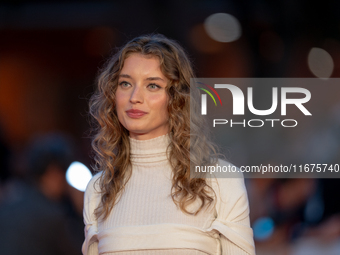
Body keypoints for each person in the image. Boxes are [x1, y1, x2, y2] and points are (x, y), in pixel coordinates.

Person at [83, 34, 256, 255]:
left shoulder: (219, 179)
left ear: (177, 98)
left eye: (152, 85)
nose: (135, 97)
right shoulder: (98, 190)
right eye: (125, 83)